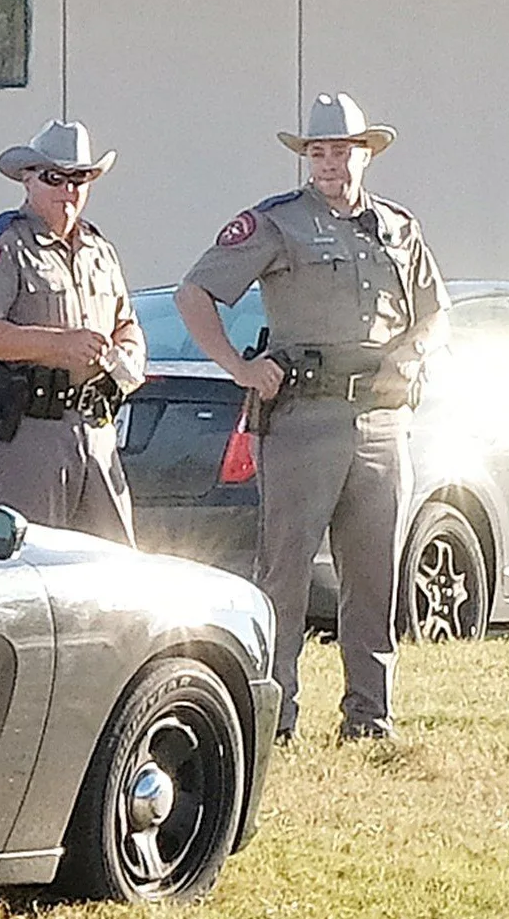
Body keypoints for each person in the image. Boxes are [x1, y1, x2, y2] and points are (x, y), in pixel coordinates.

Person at [178, 95, 439, 743]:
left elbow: (434, 311)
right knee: (285, 574)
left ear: (365, 154)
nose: (328, 163)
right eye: (317, 152)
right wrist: (239, 368)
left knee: (374, 574)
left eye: (341, 150)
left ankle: (370, 720)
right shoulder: (276, 224)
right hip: (304, 418)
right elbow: (195, 292)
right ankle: (277, 717)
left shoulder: (398, 228)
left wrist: (413, 354)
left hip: (380, 419)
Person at [0, 120, 146, 538]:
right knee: (37, 555)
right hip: (30, 429)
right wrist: (57, 346)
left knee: (116, 562)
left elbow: (126, 321)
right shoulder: (1, 246)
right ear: (28, 179)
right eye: (54, 178)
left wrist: (130, 355)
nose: (68, 190)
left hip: (97, 424)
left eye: (79, 178)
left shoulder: (99, 249)